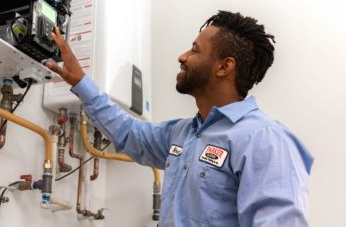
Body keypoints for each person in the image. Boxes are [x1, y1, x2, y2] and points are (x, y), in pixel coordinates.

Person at [46, 11, 313, 227]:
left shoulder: (265, 140)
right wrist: (81, 83)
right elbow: (129, 133)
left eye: (195, 50)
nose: (182, 57)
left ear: (224, 66)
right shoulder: (183, 133)